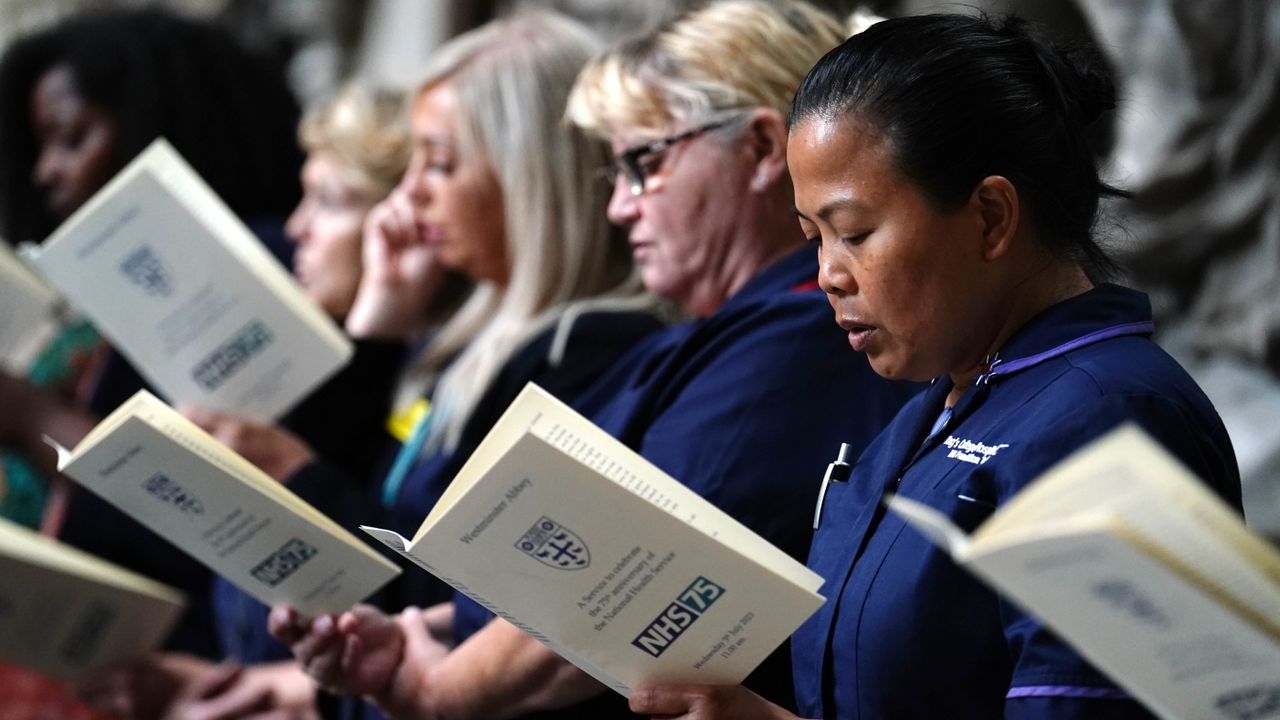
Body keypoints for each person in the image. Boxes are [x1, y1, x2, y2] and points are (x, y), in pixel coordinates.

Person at [269, 3, 918, 718]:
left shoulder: (799, 339)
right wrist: (419, 632)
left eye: (644, 164)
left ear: (763, 150)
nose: (619, 207)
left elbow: (630, 587)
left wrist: (431, 690)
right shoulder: (727, 330)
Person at [625, 12, 1243, 720]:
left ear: (989, 217)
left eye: (854, 233)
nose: (828, 273)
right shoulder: (931, 410)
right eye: (813, 237)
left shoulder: (1115, 417)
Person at [0, 6, 304, 662]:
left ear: (157, 132)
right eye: (40, 146)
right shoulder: (92, 312)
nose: (46, 171)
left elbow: (207, 503)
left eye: (73, 138)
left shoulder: (254, 278)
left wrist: (30, 415)